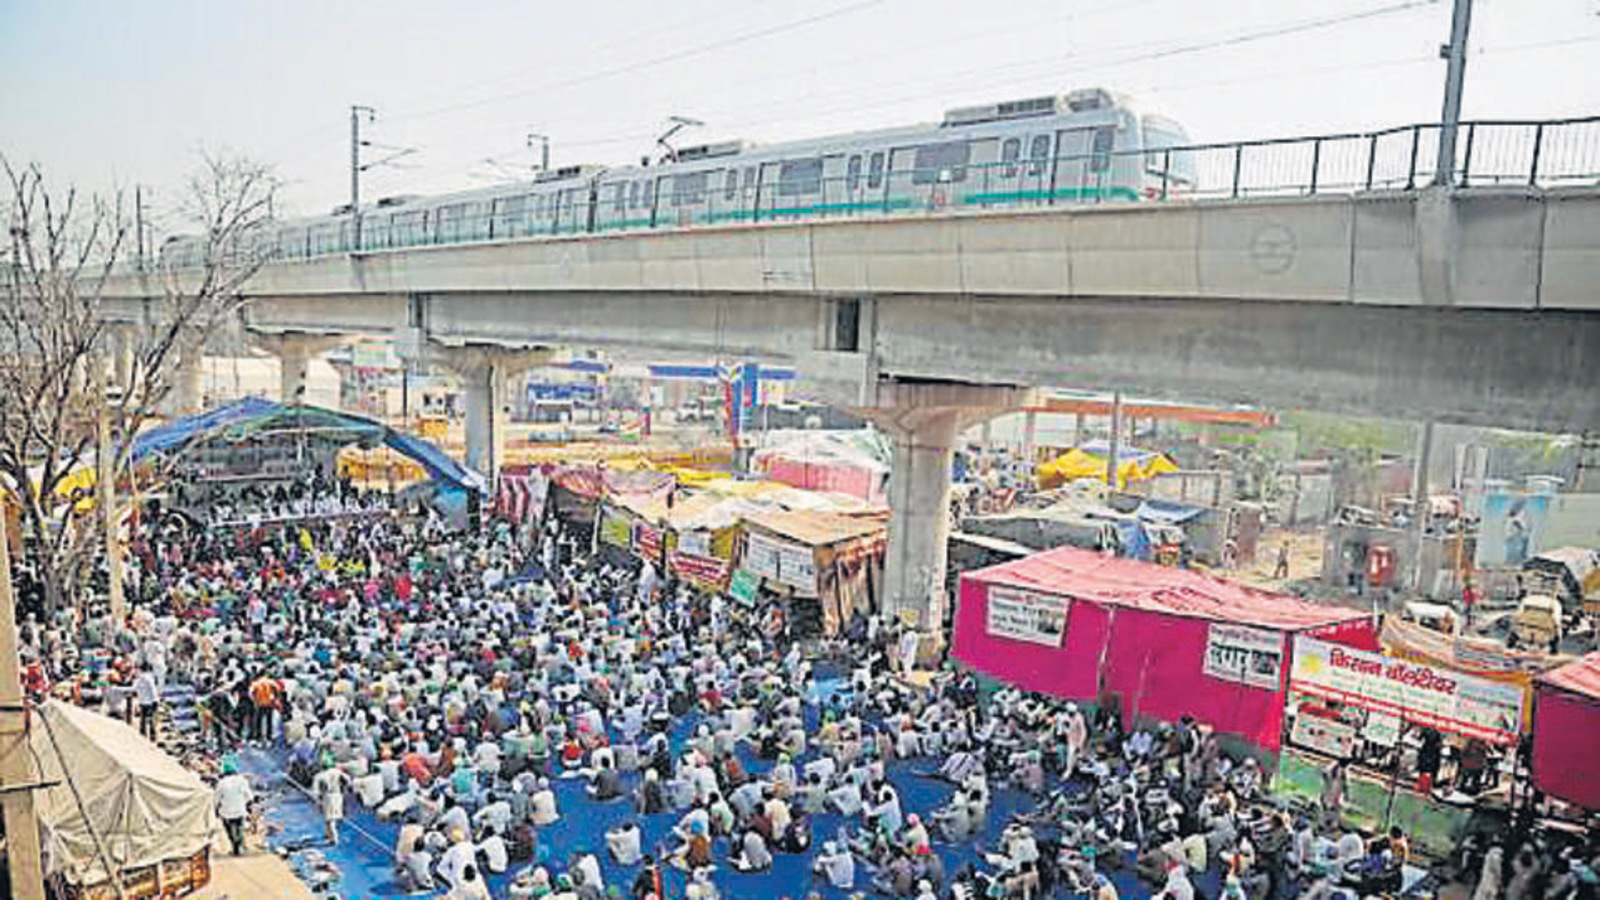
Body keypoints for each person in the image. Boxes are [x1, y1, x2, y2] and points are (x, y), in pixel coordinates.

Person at [215, 758, 255, 856]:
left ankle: (234, 846)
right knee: (240, 829)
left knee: (229, 830)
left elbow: (216, 799)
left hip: (226, 812)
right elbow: (249, 796)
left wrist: (215, 809)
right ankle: (239, 846)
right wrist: (249, 805)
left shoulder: (221, 783)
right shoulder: (242, 781)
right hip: (240, 810)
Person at [133, 662, 159, 742]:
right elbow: (153, 689)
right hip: (151, 701)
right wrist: (155, 700)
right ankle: (153, 736)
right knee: (152, 719)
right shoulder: (149, 678)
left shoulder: (138, 679)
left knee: (143, 719)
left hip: (143, 701)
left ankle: (143, 734)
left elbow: (134, 689)